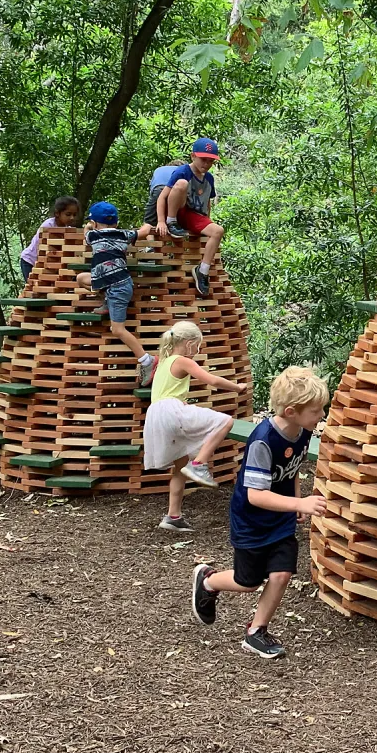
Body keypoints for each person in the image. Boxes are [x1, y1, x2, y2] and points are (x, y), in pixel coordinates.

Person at [190, 366, 329, 660]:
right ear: (292, 411)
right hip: (252, 521)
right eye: (316, 411)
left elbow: (292, 470)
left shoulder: (303, 432)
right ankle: (208, 581)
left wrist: (296, 498)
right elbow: (256, 496)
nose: (321, 416)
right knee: (248, 583)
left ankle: (256, 632)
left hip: (280, 519)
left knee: (281, 574)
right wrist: (299, 505)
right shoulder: (263, 441)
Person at [144, 320, 250, 531]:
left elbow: (164, 393)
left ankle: (173, 516)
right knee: (225, 422)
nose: (198, 351)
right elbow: (212, 380)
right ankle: (199, 464)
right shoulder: (182, 360)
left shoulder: (163, 362)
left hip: (156, 414)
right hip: (169, 411)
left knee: (179, 466)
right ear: (189, 343)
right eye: (198, 346)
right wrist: (237, 387)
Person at [74, 201, 158, 386]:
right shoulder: (123, 234)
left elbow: (85, 236)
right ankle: (106, 301)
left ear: (95, 223)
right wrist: (149, 222)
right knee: (82, 278)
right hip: (113, 284)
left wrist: (89, 225)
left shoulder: (93, 235)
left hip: (118, 287)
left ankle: (147, 360)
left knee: (117, 329)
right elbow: (143, 232)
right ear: (116, 223)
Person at [146, 137, 226, 297]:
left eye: (210, 161)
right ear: (193, 156)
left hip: (194, 216)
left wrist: (206, 224)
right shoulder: (182, 171)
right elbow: (162, 197)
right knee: (182, 184)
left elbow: (207, 204)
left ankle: (202, 271)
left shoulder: (209, 178)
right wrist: (162, 221)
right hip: (178, 210)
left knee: (218, 231)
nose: (206, 164)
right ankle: (172, 222)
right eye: (203, 160)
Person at [19, 196, 80, 281]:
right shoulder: (48, 226)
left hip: (47, 263)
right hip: (30, 261)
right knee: (33, 288)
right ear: (57, 213)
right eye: (68, 214)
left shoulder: (68, 229)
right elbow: (44, 249)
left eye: (74, 215)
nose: (72, 218)